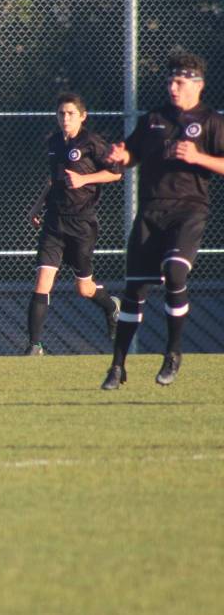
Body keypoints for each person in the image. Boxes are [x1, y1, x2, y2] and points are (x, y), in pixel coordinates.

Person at [101, 50, 224, 390]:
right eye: (170, 80)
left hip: (188, 211)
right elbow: (132, 154)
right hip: (150, 212)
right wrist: (119, 157)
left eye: (180, 82)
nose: (173, 87)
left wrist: (199, 157)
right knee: (134, 290)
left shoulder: (211, 120)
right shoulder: (154, 118)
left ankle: (172, 353)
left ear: (197, 85)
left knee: (174, 272)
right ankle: (117, 366)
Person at [24, 92, 122, 356]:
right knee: (42, 281)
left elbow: (115, 173)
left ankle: (111, 306)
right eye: (61, 114)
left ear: (82, 116)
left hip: (82, 224)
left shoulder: (91, 142)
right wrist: (37, 205)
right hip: (54, 221)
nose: (65, 118)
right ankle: (35, 346)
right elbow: (54, 180)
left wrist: (84, 180)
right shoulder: (54, 142)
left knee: (84, 288)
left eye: (70, 113)